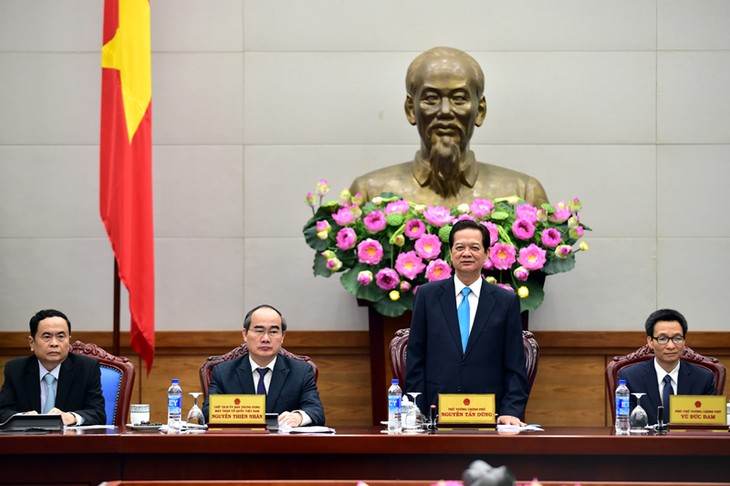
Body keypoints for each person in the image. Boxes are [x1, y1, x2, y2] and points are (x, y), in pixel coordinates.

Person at [350, 46, 548, 208]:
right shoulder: (368, 194)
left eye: (459, 99)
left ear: (480, 110)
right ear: (411, 110)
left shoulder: (522, 193)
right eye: (431, 98)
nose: (445, 111)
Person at [405, 220, 528, 426]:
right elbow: (416, 358)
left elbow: (514, 363)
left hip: (491, 415)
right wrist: (417, 410)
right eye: (459, 247)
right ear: (450, 253)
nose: (466, 253)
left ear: (488, 253)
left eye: (474, 247)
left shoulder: (506, 301)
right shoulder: (428, 296)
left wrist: (511, 410)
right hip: (434, 414)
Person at [202, 304, 325, 426]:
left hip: (284, 444)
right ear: (245, 334)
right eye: (259, 331)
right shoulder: (223, 372)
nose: (266, 338)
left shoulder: (301, 372)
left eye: (273, 331)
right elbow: (208, 412)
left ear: (283, 336)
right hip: (240, 443)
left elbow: (316, 411)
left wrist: (298, 417)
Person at [0, 309, 106, 426]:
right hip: (29, 442)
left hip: (71, 442)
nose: (54, 343)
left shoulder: (87, 368)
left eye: (61, 336)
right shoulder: (15, 369)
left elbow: (98, 413)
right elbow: (3, 412)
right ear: (32, 342)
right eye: (47, 337)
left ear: (68, 340)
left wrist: (72, 417)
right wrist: (23, 417)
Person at [618, 308, 716, 425]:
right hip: (645, 442)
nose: (671, 346)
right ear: (650, 341)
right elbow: (626, 426)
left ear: (684, 341)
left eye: (677, 338)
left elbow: (710, 426)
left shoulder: (703, 378)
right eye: (663, 339)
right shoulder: (631, 377)